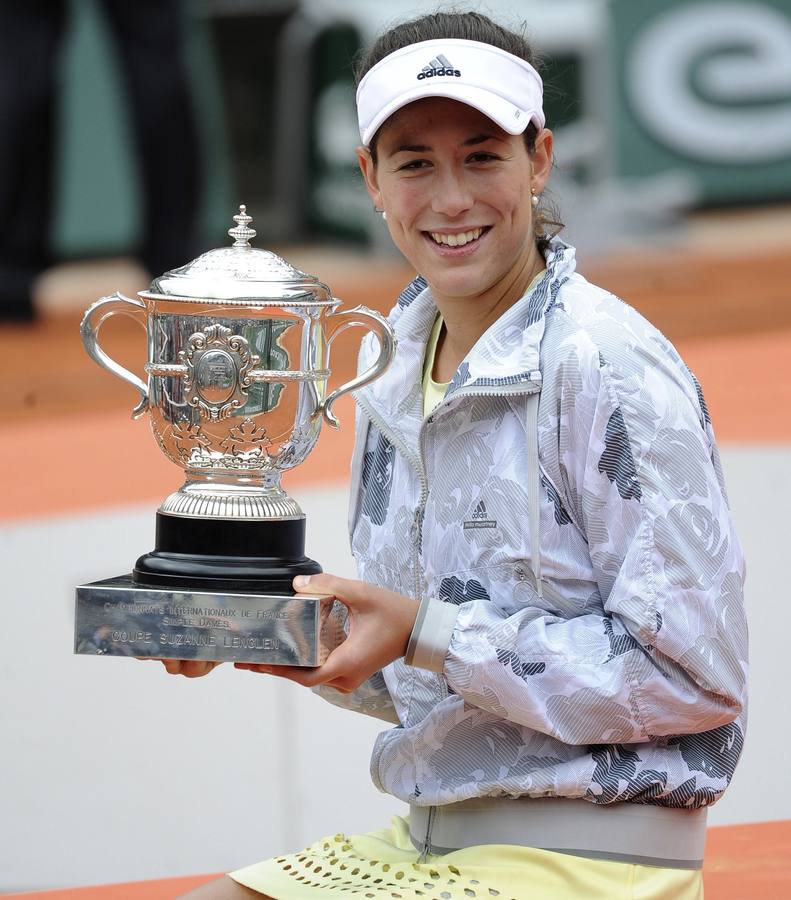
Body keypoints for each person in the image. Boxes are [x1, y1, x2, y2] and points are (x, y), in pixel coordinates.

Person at [176, 11, 748, 899]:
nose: (449, 200)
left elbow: (690, 684)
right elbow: (440, 673)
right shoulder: (394, 361)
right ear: (369, 177)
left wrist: (427, 632)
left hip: (592, 859)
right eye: (413, 163)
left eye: (482, 156)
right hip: (425, 838)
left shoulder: (604, 362)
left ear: (540, 159)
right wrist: (289, 638)